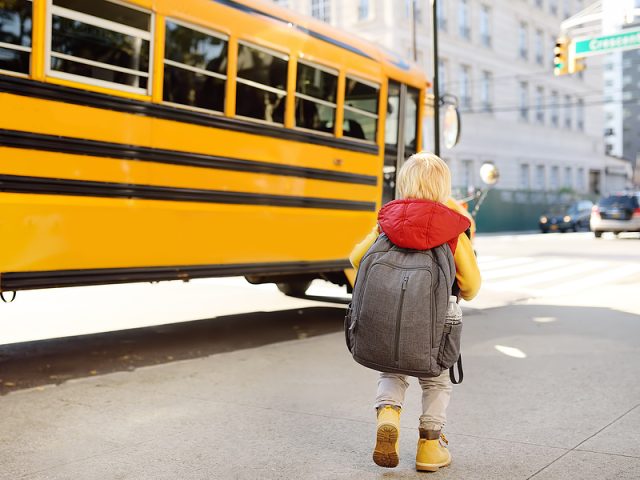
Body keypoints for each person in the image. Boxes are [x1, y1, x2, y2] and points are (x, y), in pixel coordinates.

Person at [349, 152, 481, 472]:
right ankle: (429, 448)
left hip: (385, 317)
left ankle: (388, 415)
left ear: (404, 184)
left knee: (391, 371)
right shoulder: (453, 228)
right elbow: (472, 286)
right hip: (433, 324)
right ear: (443, 188)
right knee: (436, 382)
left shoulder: (387, 221)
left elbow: (355, 259)